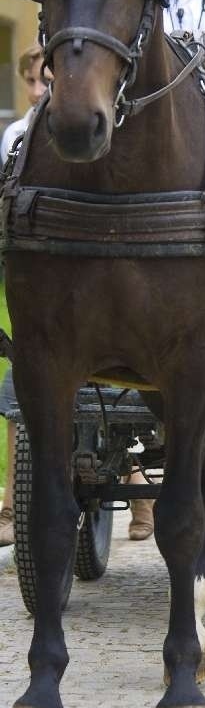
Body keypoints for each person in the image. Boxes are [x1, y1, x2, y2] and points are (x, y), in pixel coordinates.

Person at [0, 43, 52, 546]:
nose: (39, 91)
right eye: (32, 82)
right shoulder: (20, 137)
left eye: (45, 80)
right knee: (22, 382)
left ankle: (140, 486)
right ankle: (14, 503)